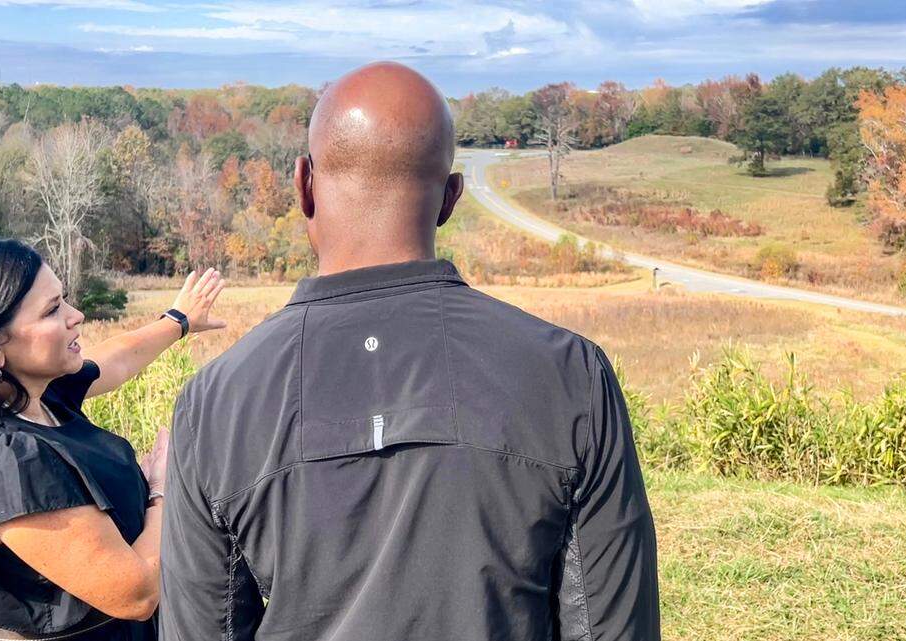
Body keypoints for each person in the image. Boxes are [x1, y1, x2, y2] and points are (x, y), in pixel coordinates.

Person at [160, 61, 660, 641]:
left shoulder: (214, 404)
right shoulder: (572, 375)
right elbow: (611, 626)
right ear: (451, 198)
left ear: (303, 186)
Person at [0, 237, 226, 641]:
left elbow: (118, 356)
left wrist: (179, 320)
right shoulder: (7, 464)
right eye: (53, 310)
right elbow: (138, 592)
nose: (77, 315)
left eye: (65, 299)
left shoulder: (38, 396)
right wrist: (161, 491)